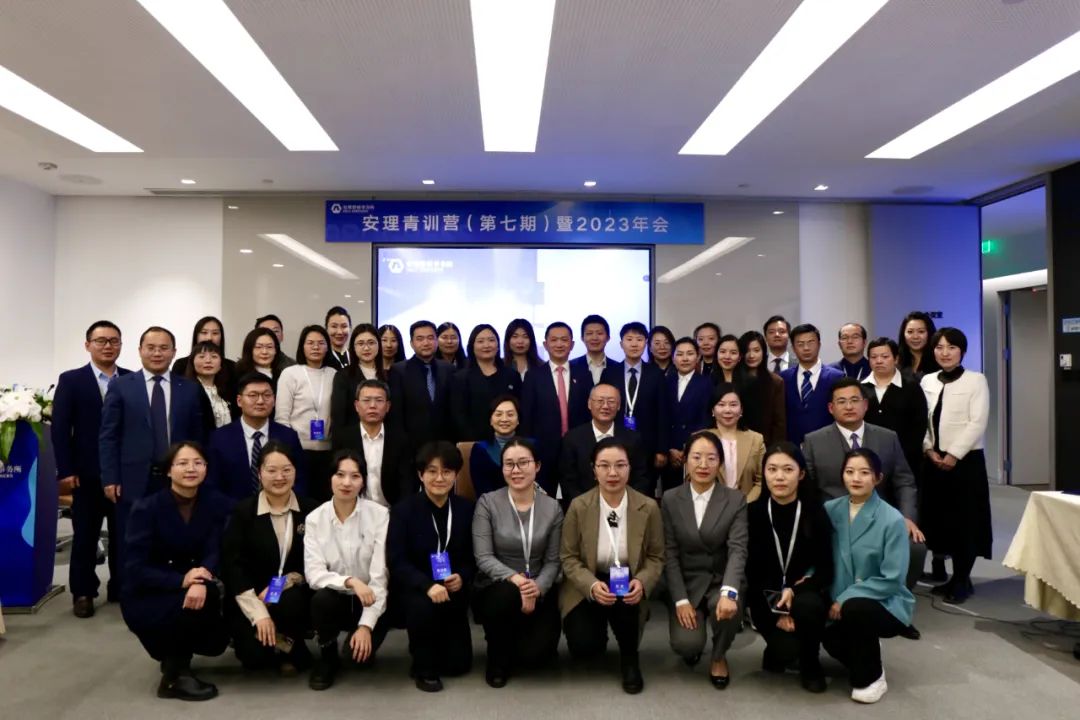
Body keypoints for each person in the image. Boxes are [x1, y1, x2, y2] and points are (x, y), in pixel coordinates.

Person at [801, 377, 925, 628]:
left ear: (866, 405)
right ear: (831, 408)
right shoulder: (814, 440)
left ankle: (891, 608)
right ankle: (835, 601)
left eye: (855, 400)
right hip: (833, 520)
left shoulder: (887, 437)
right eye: (841, 401)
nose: (849, 406)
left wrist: (906, 517)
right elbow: (808, 490)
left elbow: (904, 480)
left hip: (878, 517)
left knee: (915, 547)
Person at [120, 442, 230, 701]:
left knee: (208, 600)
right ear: (168, 471)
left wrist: (200, 577)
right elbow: (135, 568)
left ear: (206, 469)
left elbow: (215, 548)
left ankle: (177, 658)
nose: (191, 469)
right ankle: (173, 676)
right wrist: (182, 580)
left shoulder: (214, 502)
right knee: (192, 603)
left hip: (195, 584)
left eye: (198, 463)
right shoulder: (146, 508)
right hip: (150, 592)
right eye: (182, 463)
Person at [100, 326, 205, 584]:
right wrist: (110, 477)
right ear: (140, 351)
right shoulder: (121, 386)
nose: (157, 353)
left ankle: (173, 586)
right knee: (130, 538)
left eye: (163, 348)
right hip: (132, 477)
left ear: (174, 352)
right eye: (151, 348)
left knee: (175, 534)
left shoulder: (189, 389)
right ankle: (127, 590)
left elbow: (199, 437)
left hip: (177, 477)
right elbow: (108, 435)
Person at [560, 437, 664, 694]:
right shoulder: (579, 506)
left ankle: (630, 660)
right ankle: (598, 627)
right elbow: (568, 557)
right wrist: (592, 585)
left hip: (628, 578)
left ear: (630, 468)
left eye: (620, 465)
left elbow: (656, 556)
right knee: (584, 647)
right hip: (590, 578)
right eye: (604, 465)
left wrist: (642, 582)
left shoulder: (648, 507)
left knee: (627, 605)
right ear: (593, 470)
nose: (613, 473)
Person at [822, 449, 915, 704]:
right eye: (850, 472)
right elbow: (818, 556)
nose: (856, 478)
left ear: (878, 478)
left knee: (856, 609)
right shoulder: (830, 510)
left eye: (864, 473)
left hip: (885, 601)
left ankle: (872, 678)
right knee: (831, 639)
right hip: (838, 598)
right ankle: (867, 648)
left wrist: (845, 598)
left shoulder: (892, 519)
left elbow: (893, 578)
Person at [52, 320, 131, 617]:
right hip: (85, 473)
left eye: (114, 341)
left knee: (124, 534)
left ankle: (120, 586)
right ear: (88, 345)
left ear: (121, 345)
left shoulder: (132, 379)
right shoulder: (72, 380)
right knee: (85, 535)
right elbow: (60, 428)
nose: (108, 346)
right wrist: (65, 469)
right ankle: (83, 592)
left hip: (123, 472)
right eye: (101, 341)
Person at [471, 438, 563, 687]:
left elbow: (554, 560)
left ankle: (518, 641)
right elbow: (483, 557)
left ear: (537, 466)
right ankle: (496, 658)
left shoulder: (552, 507)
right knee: (505, 595)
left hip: (539, 584)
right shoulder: (488, 503)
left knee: (536, 657)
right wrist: (518, 581)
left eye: (523, 463)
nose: (516, 470)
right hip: (498, 584)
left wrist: (537, 587)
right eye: (509, 464)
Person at [222, 441, 318, 675]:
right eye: (271, 470)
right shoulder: (243, 512)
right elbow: (233, 567)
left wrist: (285, 582)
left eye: (286, 470)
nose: (279, 477)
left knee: (292, 602)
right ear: (259, 473)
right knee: (254, 658)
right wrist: (259, 614)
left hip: (291, 594)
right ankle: (284, 644)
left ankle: (289, 641)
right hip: (251, 596)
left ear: (295, 471)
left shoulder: (311, 510)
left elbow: (317, 561)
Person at [662, 431, 747, 689]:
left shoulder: (735, 499)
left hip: (720, 579)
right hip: (687, 582)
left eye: (711, 458)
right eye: (696, 457)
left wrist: (729, 591)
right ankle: (694, 644)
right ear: (685, 460)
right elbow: (669, 553)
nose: (703, 464)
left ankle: (719, 656)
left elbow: (738, 549)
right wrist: (680, 600)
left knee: (730, 609)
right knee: (686, 645)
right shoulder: (670, 498)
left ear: (720, 462)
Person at [388, 442, 476, 692]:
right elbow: (396, 560)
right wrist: (426, 585)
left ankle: (433, 646)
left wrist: (462, 576)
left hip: (453, 588)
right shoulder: (404, 511)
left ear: (455, 475)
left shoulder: (466, 509)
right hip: (418, 589)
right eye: (432, 471)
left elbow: (474, 556)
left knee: (459, 665)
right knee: (422, 610)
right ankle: (423, 667)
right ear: (420, 474)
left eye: (446, 472)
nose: (439, 478)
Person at [746, 443, 832, 694]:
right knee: (785, 650)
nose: (779, 477)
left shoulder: (815, 512)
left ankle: (811, 664)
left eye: (788, 469)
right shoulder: (753, 513)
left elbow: (827, 568)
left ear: (801, 474)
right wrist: (778, 611)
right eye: (772, 469)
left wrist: (795, 591)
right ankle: (776, 651)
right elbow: (751, 573)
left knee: (809, 606)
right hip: (765, 598)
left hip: (803, 593)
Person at [304, 450, 391, 690]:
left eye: (355, 476)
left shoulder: (379, 515)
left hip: (370, 599)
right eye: (340, 475)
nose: (346, 483)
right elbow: (314, 574)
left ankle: (358, 636)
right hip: (337, 597)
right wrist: (350, 581)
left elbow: (379, 578)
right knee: (321, 600)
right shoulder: (314, 519)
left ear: (363, 481)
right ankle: (327, 656)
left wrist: (365, 626)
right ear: (330, 478)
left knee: (357, 660)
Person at [920, 327, 991, 604]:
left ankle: (962, 578)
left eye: (951, 347)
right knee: (941, 521)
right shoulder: (928, 380)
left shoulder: (976, 380)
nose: (945, 353)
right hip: (934, 461)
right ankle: (953, 576)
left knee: (966, 522)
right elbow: (922, 419)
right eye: (939, 347)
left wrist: (954, 454)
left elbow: (977, 422)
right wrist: (928, 449)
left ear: (962, 351)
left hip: (965, 462)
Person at [206, 373, 305, 502]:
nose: (260, 401)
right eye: (253, 395)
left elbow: (300, 480)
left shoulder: (288, 436)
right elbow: (213, 484)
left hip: (281, 508)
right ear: (239, 401)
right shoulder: (219, 438)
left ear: (274, 400)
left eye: (267, 395)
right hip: (233, 511)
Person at [519, 321, 591, 494]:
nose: (559, 344)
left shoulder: (583, 374)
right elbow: (527, 416)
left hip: (576, 448)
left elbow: (588, 414)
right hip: (543, 450)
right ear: (546, 344)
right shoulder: (534, 376)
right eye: (554, 340)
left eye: (564, 340)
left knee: (575, 497)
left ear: (572, 344)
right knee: (543, 498)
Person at [330, 379, 415, 507]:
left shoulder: (400, 440)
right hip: (354, 508)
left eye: (379, 400)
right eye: (366, 400)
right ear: (356, 406)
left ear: (388, 406)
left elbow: (406, 483)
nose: (372, 406)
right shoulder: (343, 438)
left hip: (390, 510)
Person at [276, 326, 337, 502]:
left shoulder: (334, 374)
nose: (315, 347)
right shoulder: (290, 373)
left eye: (321, 343)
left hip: (327, 452)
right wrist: (289, 449)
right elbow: (282, 417)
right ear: (302, 346)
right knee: (301, 501)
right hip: (298, 451)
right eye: (310, 343)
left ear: (328, 347)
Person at [559, 384, 650, 502]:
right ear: (589, 404)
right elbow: (568, 481)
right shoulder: (572, 438)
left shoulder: (633, 439)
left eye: (611, 401)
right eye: (600, 401)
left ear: (618, 406)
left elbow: (640, 478)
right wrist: (585, 506)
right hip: (584, 507)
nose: (605, 406)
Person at [600, 321, 667, 481]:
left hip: (647, 443)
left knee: (644, 485)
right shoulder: (610, 373)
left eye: (639, 339)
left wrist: (661, 449)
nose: (634, 344)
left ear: (646, 343)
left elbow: (663, 412)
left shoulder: (656, 374)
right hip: (615, 440)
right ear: (621, 344)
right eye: (629, 339)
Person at [863, 338, 928, 487]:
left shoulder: (911, 386)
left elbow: (919, 426)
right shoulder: (860, 387)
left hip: (906, 460)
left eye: (885, 356)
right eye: (874, 357)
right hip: (868, 461)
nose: (879, 361)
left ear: (896, 358)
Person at [388, 320, 455, 449]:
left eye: (430, 338)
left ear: (436, 341)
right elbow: (396, 414)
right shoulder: (399, 371)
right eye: (420, 339)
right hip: (411, 445)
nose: (426, 343)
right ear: (411, 343)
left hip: (444, 443)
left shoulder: (448, 369)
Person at [451, 324, 521, 442]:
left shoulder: (512, 375)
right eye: (480, 341)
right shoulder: (460, 378)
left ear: (498, 345)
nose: (487, 345)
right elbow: (459, 416)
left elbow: (519, 409)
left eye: (491, 340)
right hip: (474, 442)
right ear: (472, 346)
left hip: (509, 441)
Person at [661, 337, 713, 492]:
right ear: (673, 358)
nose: (685, 358)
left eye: (690, 354)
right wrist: (669, 448)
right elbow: (661, 417)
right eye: (680, 354)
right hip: (670, 453)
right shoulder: (664, 382)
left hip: (694, 450)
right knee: (670, 495)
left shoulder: (707, 383)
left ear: (698, 357)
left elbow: (706, 418)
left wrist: (688, 448)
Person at [780, 323, 844, 444]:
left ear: (819, 345)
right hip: (792, 446)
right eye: (800, 344)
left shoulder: (837, 377)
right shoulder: (783, 378)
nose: (806, 348)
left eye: (811, 342)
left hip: (828, 444)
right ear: (793, 348)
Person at [708, 383, 765, 503]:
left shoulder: (756, 439)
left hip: (747, 506)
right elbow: (692, 480)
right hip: (710, 507)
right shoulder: (700, 439)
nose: (727, 410)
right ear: (713, 409)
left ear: (741, 409)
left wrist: (743, 504)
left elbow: (761, 481)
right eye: (721, 404)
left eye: (733, 405)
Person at [330, 324, 387, 435]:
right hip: (354, 439)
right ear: (353, 347)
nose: (366, 348)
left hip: (385, 438)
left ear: (378, 345)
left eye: (371, 343)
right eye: (360, 343)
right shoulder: (343, 376)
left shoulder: (390, 375)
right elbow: (338, 417)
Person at [737, 330, 786, 447]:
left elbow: (779, 423)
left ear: (764, 352)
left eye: (756, 350)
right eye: (747, 351)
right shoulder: (734, 379)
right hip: (737, 441)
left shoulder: (775, 382)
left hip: (765, 445)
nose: (751, 355)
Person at [469, 395, 523, 497]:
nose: (504, 419)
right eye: (498, 414)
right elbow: (482, 490)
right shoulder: (480, 450)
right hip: (492, 504)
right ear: (490, 420)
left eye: (510, 414)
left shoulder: (531, 447)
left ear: (518, 420)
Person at [184, 340, 236, 434]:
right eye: (202, 356)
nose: (208, 361)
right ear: (192, 362)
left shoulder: (228, 391)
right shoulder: (186, 391)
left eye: (214, 356)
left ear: (221, 364)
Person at [171, 316, 238, 381]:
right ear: (196, 336)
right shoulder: (181, 365)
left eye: (215, 333)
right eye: (204, 332)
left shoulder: (232, 367)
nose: (209, 338)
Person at [570, 314, 613, 385]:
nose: (594, 338)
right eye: (589, 333)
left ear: (608, 338)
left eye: (599, 333)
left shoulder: (618, 368)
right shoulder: (570, 367)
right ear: (582, 338)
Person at [897, 311, 940, 380]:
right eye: (910, 332)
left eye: (921, 331)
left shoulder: (939, 359)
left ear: (929, 333)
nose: (915, 336)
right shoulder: (895, 360)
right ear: (903, 334)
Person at [323, 306, 352, 371]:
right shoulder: (322, 358)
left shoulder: (357, 357)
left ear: (350, 328)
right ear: (326, 329)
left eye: (344, 326)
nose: (339, 332)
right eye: (334, 326)